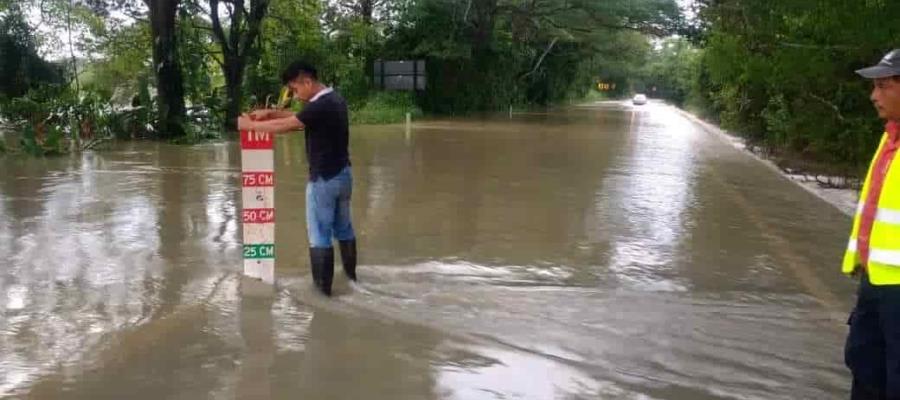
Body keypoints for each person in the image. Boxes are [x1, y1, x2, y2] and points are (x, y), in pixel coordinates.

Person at [237, 61, 357, 296]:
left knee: (319, 235)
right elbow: (302, 118)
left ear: (307, 82)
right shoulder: (334, 100)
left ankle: (323, 295)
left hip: (323, 180)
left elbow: (289, 124)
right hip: (343, 176)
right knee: (343, 228)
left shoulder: (320, 105)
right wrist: (270, 113)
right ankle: (352, 280)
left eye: (295, 89)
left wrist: (249, 125)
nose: (294, 94)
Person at [844, 48, 900, 399]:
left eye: (883, 86)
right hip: (874, 281)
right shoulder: (889, 136)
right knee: (864, 367)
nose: (873, 96)